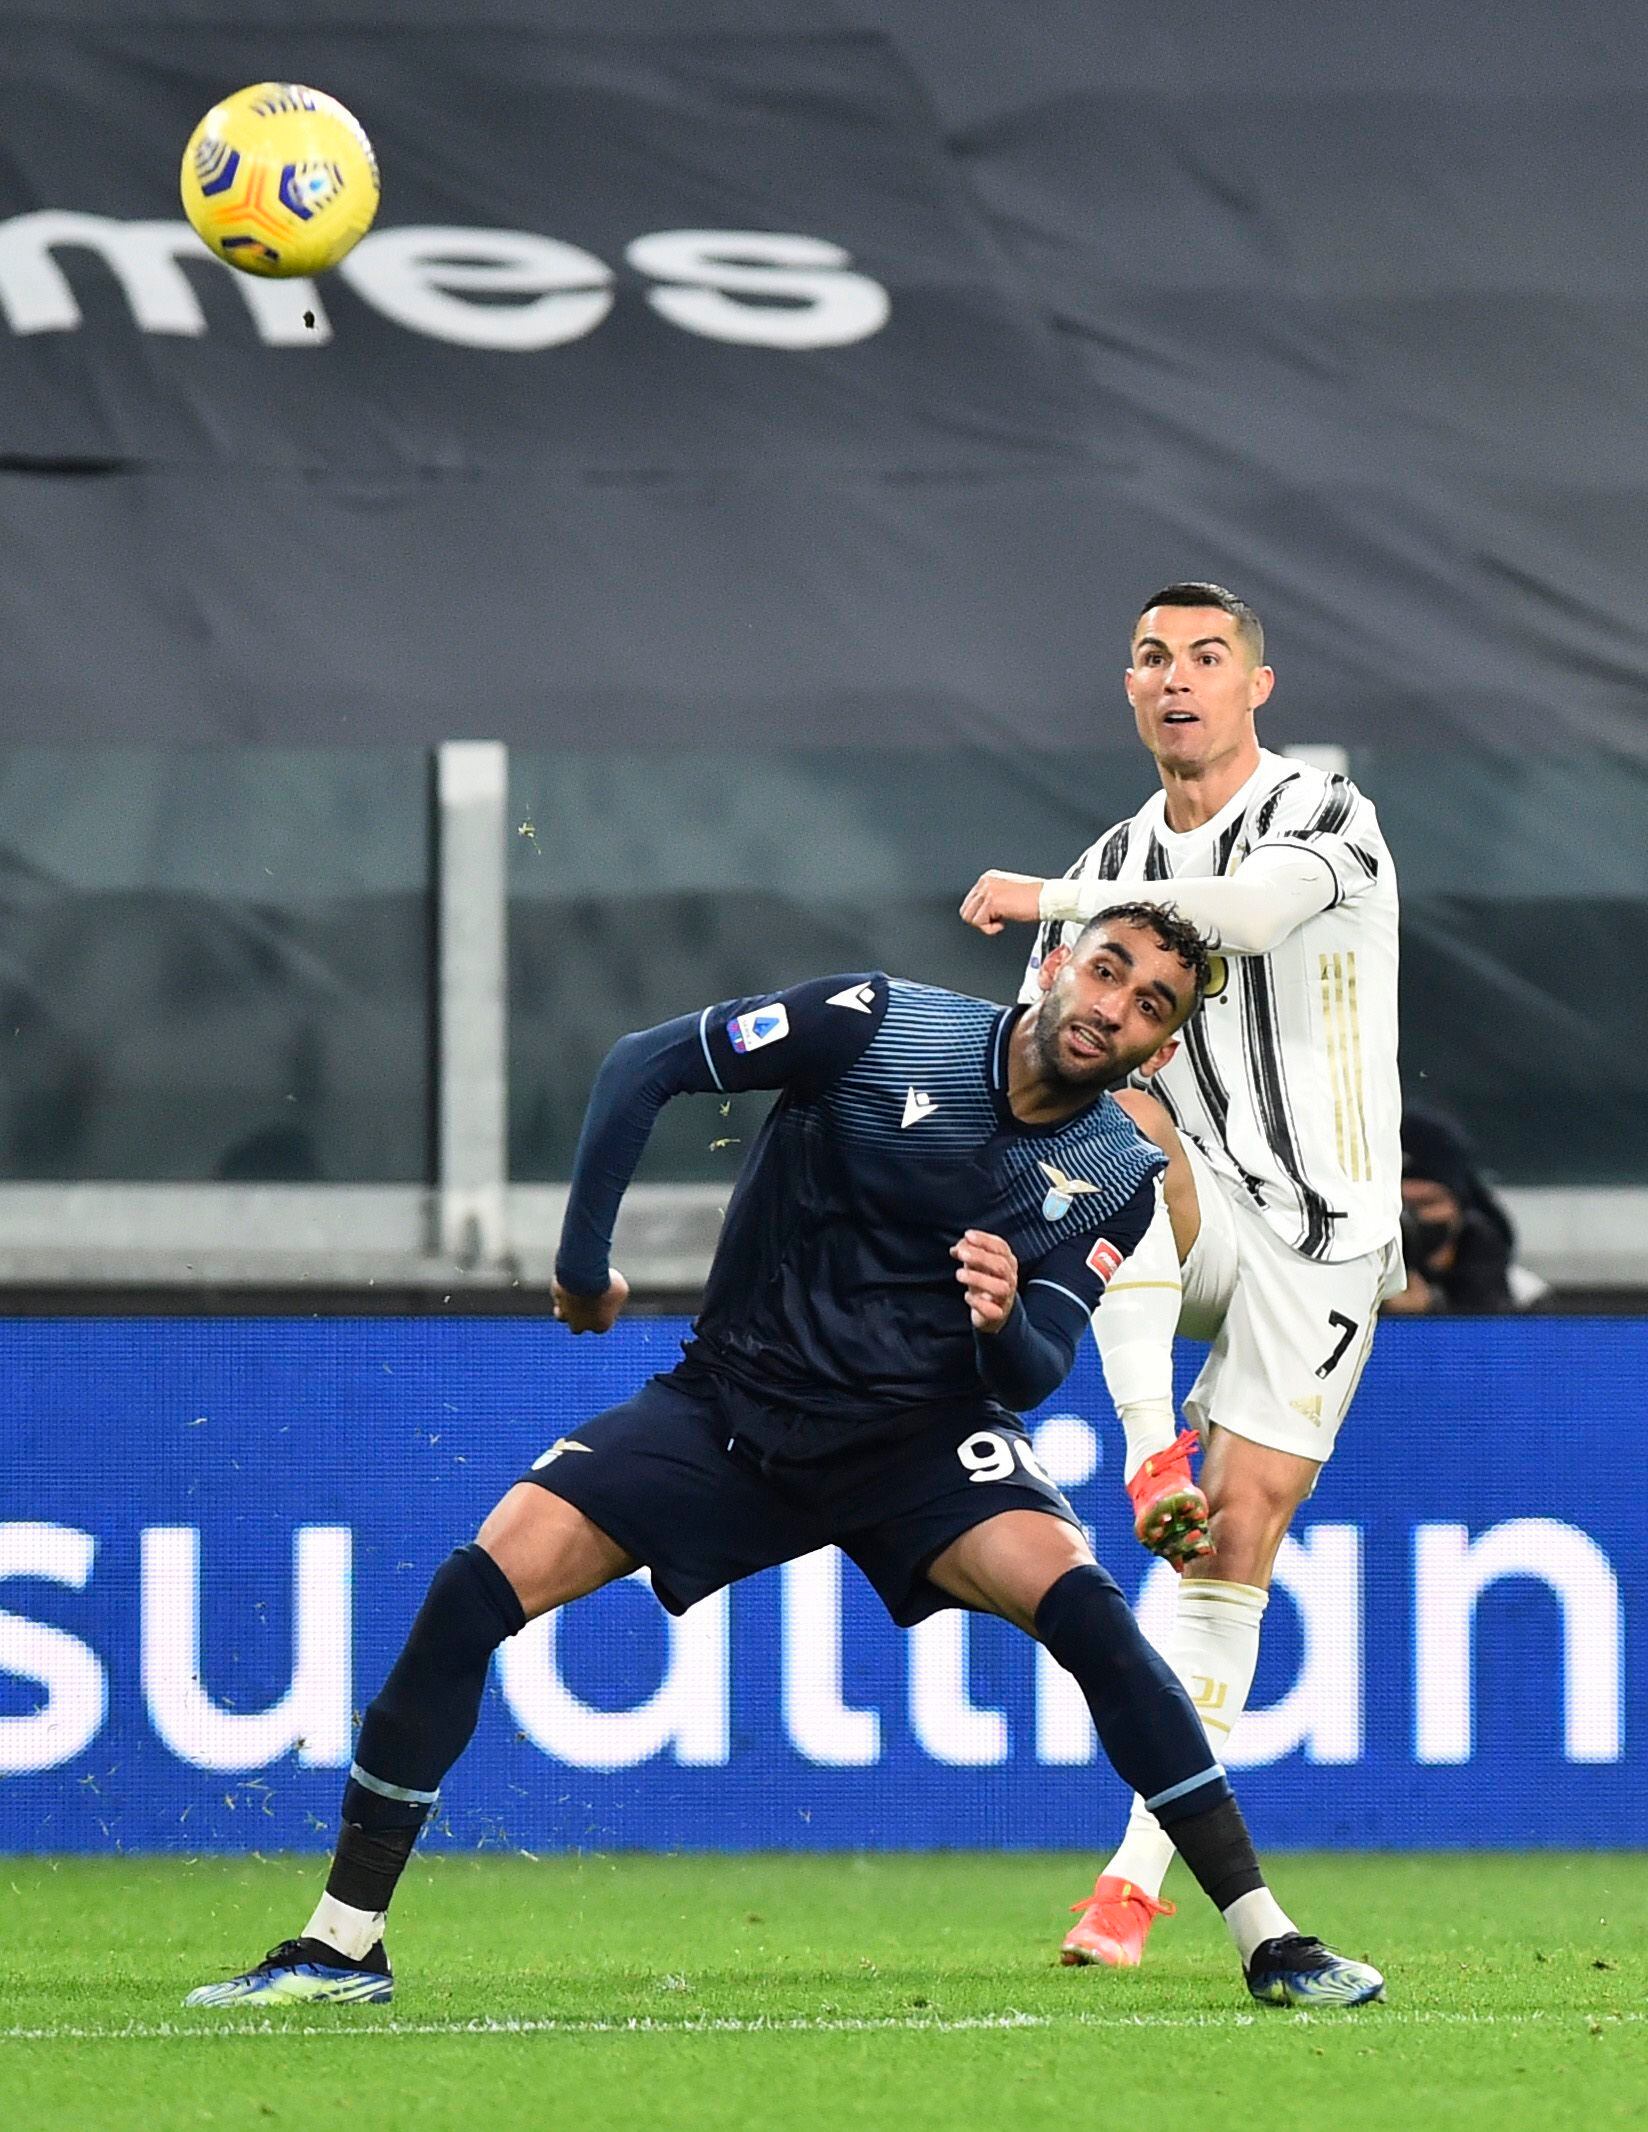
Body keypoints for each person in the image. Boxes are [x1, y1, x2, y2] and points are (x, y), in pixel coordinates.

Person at [186, 908, 1382, 2011]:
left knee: (1095, 1617)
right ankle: (343, 1943)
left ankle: (1268, 1938)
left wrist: (1004, 1315)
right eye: (1107, 968)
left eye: (1152, 1003)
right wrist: (582, 1261)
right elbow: (640, 1063)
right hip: (729, 1410)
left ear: (1157, 1052)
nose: (1116, 1003)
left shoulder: (1119, 1177)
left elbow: (1032, 1369)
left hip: (920, 1442)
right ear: (1052, 962)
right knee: (469, 1591)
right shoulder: (875, 1024)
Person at [960, 583, 1403, 1971]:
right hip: (1203, 1201)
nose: (1178, 681)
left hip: (1329, 1235)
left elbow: (1253, 917)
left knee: (1241, 1540)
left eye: (1208, 659)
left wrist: (1055, 893)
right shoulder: (1119, 848)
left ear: (1255, 688)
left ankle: (1136, 1885)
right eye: (1154, 658)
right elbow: (1053, 1032)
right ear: (1131, 685)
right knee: (1125, 1141)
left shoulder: (1323, 815)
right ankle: (1153, 1453)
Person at [1383, 1106, 1544, 1314]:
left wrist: (1432, 1315)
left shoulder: (1527, 1300)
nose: (1408, 1218)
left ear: (1460, 1206)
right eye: (1397, 1204)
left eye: (1426, 1203)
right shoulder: (1340, 1287)